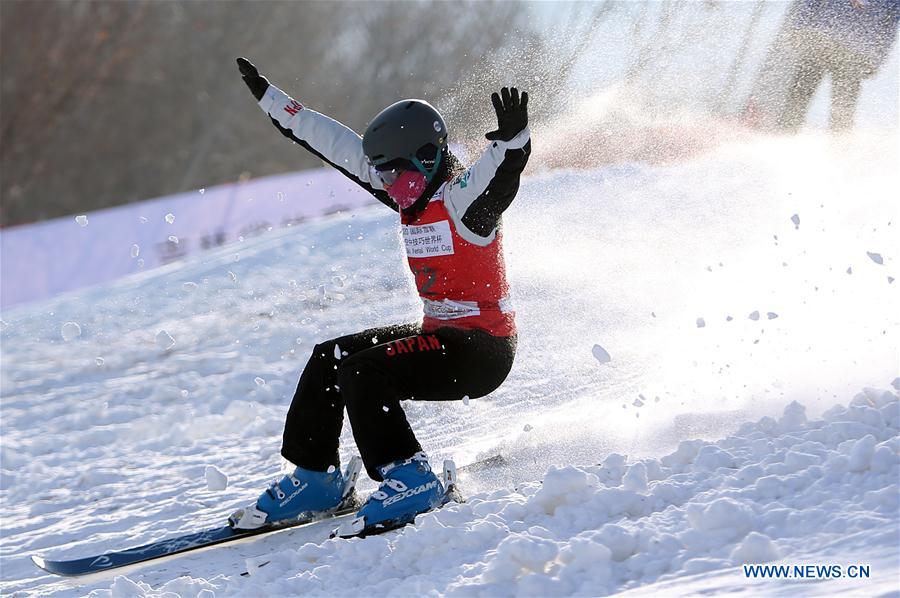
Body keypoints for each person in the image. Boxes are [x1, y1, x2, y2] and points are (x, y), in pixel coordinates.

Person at [229, 57, 530, 533]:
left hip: (482, 348)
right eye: (385, 177)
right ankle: (317, 479)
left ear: (428, 160)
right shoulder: (407, 193)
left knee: (363, 370)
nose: (391, 187)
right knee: (332, 356)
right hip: (442, 335)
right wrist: (275, 102)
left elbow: (502, 173)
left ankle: (410, 477)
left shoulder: (463, 201)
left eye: (398, 176)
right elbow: (338, 145)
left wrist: (513, 140)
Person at [777, 0, 899, 131]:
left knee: (835, 102)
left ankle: (837, 145)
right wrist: (877, 58)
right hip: (832, 42)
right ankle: (786, 133)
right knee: (805, 93)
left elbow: (891, 21)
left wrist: (799, 26)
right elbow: (890, 24)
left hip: (841, 46)